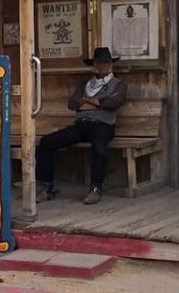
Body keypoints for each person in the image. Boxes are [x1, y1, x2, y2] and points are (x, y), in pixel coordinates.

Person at [36, 46, 128, 206]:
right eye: (99, 63)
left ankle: (96, 188)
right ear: (95, 65)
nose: (102, 66)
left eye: (105, 63)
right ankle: (46, 187)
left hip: (103, 125)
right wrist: (96, 102)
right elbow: (72, 104)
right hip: (82, 124)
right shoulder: (86, 84)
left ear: (111, 65)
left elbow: (113, 103)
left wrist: (89, 101)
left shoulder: (119, 84)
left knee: (100, 148)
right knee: (46, 142)